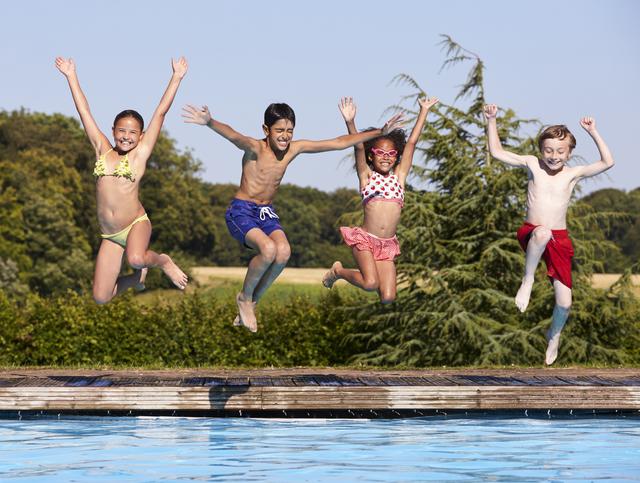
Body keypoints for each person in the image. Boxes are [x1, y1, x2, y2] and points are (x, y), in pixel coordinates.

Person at [182, 102, 403, 332]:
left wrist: (379, 133)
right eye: (279, 131)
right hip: (241, 210)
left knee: (284, 252)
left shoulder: (293, 149)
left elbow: (336, 143)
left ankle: (253, 302)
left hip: (266, 212)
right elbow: (233, 135)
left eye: (289, 131)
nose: (285, 136)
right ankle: (244, 298)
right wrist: (210, 122)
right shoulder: (255, 148)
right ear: (266, 129)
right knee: (268, 250)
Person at [483, 103, 614, 364]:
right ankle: (528, 280)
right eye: (548, 150)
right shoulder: (533, 164)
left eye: (560, 151)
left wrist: (593, 131)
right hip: (532, 233)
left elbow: (608, 162)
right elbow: (496, 152)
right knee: (542, 233)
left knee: (564, 303)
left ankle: (554, 333)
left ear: (569, 153)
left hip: (560, 238)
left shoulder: (573, 174)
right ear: (541, 151)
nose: (553, 156)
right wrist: (491, 120)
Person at [55, 57, 189, 304]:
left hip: (135, 224)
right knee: (101, 298)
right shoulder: (102, 149)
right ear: (113, 130)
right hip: (110, 234)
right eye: (121, 131)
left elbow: (160, 111)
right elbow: (84, 112)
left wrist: (176, 77)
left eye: (132, 132)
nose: (126, 136)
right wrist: (71, 76)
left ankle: (163, 261)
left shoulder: (140, 154)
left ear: (141, 136)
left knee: (137, 259)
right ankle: (136, 280)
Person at [322, 95, 439, 303]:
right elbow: (358, 146)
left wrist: (424, 111)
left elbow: (411, 143)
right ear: (371, 156)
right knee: (370, 283)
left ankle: (370, 278)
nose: (386, 157)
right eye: (380, 152)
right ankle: (338, 271)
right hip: (365, 240)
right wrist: (350, 122)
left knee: (388, 297)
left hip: (387, 246)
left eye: (391, 153)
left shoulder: (399, 178)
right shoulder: (367, 177)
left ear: (396, 157)